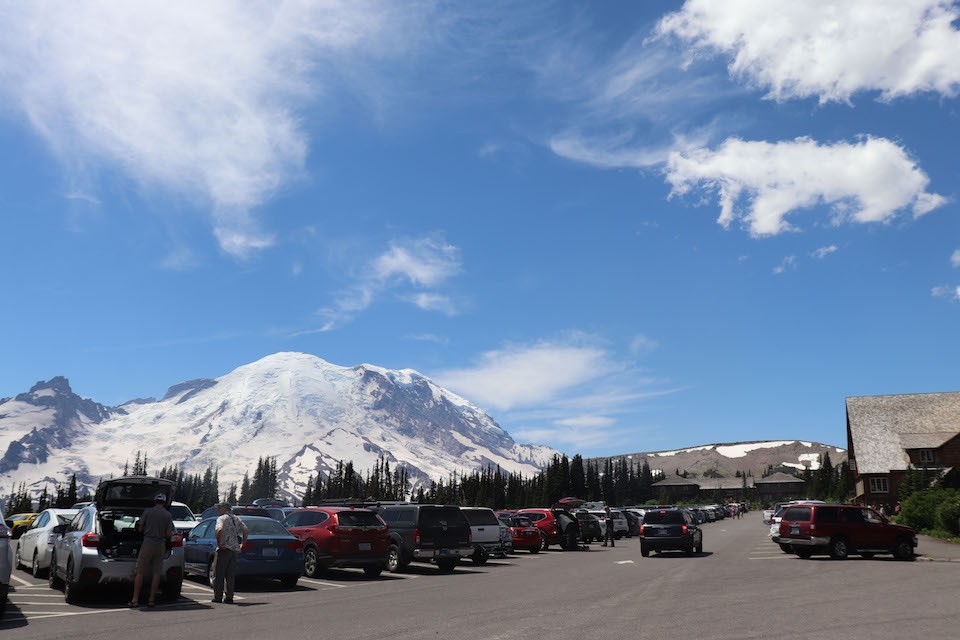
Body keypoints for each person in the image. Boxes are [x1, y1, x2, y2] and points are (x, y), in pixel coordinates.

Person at [130, 493, 174, 608]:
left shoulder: (147, 512)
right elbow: (169, 534)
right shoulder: (168, 515)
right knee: (156, 573)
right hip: (160, 544)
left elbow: (140, 528)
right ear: (164, 502)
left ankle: (135, 599)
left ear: (155, 501)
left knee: (140, 572)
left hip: (147, 543)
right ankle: (151, 599)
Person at [212, 502, 249, 604]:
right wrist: (243, 543)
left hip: (224, 549)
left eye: (219, 508)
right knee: (230, 575)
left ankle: (218, 597)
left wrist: (219, 543)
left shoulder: (221, 518)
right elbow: (245, 530)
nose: (218, 510)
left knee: (219, 574)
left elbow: (219, 530)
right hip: (234, 550)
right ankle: (229, 596)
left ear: (224, 508)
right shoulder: (236, 518)